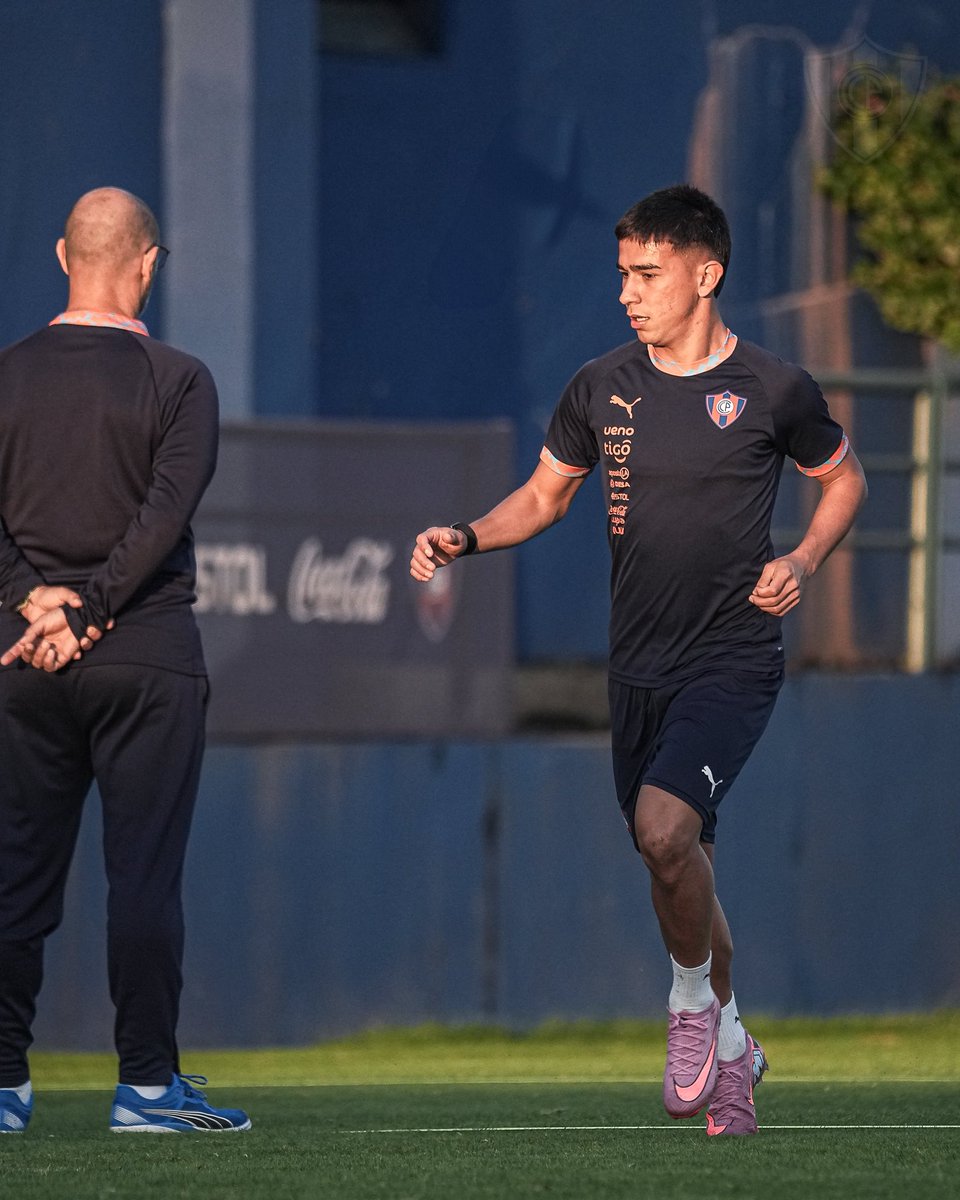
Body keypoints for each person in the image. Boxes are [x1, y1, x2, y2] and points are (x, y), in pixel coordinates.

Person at [410, 184, 867, 1136]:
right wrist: (464, 535)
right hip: (638, 667)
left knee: (665, 833)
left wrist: (804, 560)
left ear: (707, 275)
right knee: (677, 862)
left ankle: (693, 1006)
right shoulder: (600, 386)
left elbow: (844, 478)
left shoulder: (777, 390)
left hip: (734, 658)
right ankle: (737, 1046)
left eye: (647, 274)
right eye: (623, 274)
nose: (629, 292)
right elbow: (542, 498)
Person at [0, 187, 250, 1133]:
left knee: (15, 875)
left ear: (64, 255)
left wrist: (35, 602)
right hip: (144, 656)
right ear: (149, 265)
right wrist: (94, 609)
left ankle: (2, 1091)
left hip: (22, 659)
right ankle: (146, 1089)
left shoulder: (5, 374)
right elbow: (163, 519)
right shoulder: (180, 380)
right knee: (142, 877)